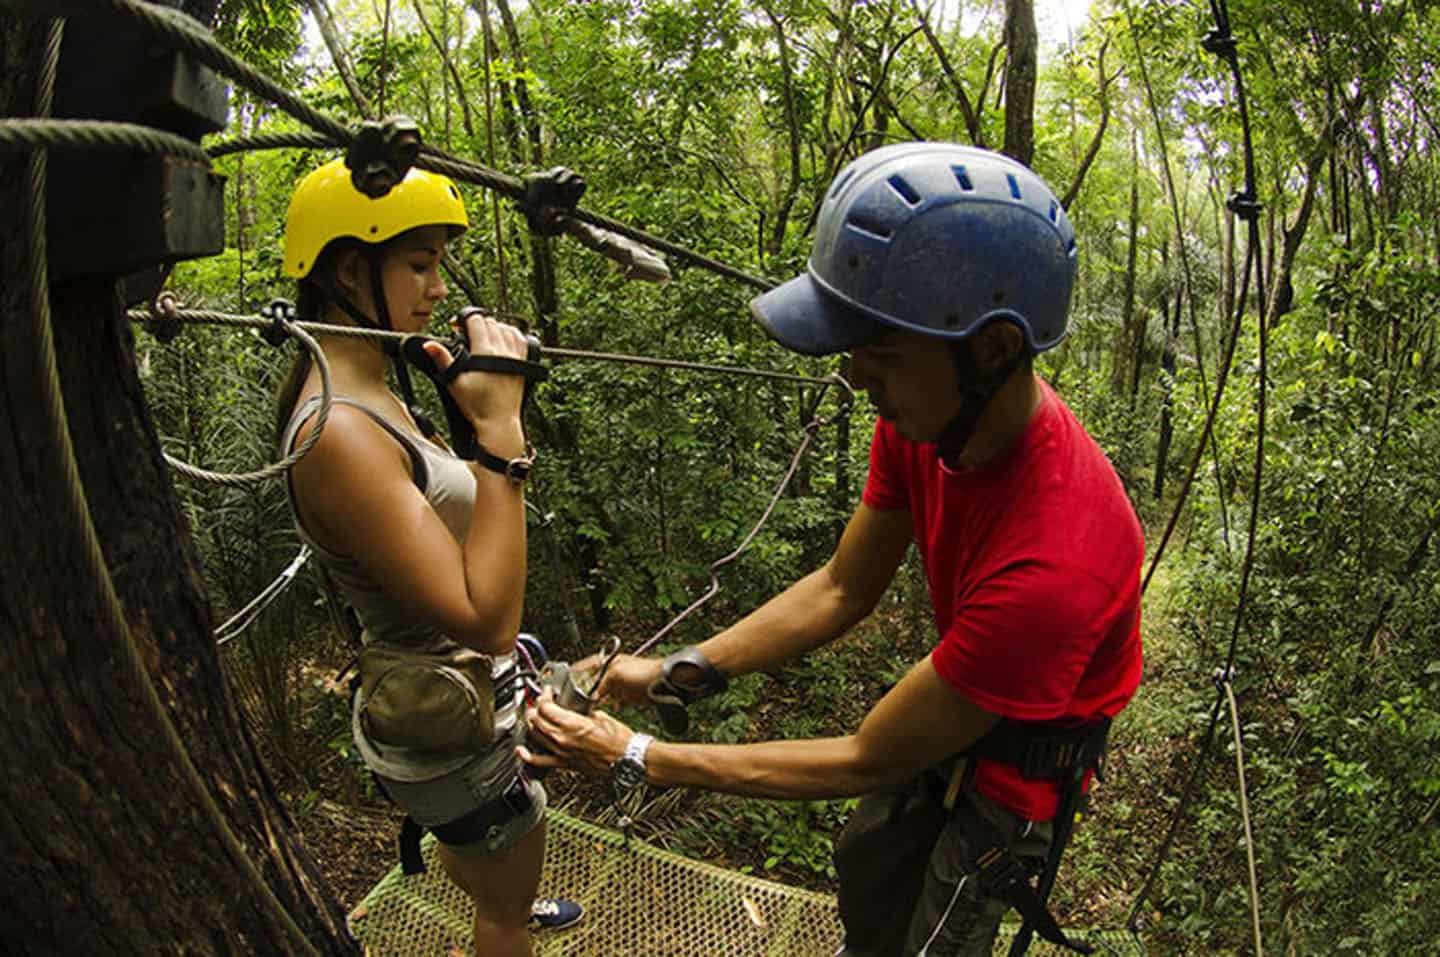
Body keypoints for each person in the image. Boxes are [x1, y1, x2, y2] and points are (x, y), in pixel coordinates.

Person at [519, 142, 1143, 956]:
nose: (854, 378)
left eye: (879, 354)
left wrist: (641, 755)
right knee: (869, 870)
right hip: (955, 706)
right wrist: (671, 671)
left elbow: (859, 757)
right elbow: (844, 586)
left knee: (940, 934)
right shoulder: (928, 416)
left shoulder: (1056, 566)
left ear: (991, 350)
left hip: (1017, 775)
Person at [275, 158, 580, 957]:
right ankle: (500, 912)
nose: (438, 288)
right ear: (349, 269)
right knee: (506, 918)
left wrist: (470, 420)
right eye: (419, 264)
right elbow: (486, 618)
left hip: (456, 708)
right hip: (454, 728)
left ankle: (493, 891)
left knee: (495, 879)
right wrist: (504, 437)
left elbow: (445, 522)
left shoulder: (379, 383)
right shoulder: (337, 431)